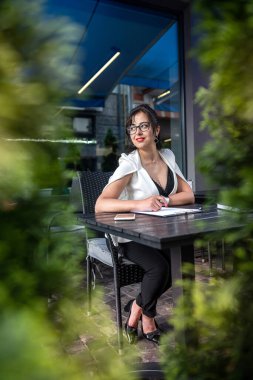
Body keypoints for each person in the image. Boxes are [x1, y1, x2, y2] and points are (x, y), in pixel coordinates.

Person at [95, 103, 194, 345]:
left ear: (156, 130)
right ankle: (146, 318)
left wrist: (166, 200)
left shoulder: (168, 156)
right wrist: (142, 202)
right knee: (160, 269)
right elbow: (101, 204)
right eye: (132, 127)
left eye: (144, 125)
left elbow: (188, 194)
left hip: (161, 232)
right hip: (131, 237)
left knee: (183, 263)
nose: (137, 131)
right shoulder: (130, 163)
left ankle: (136, 308)